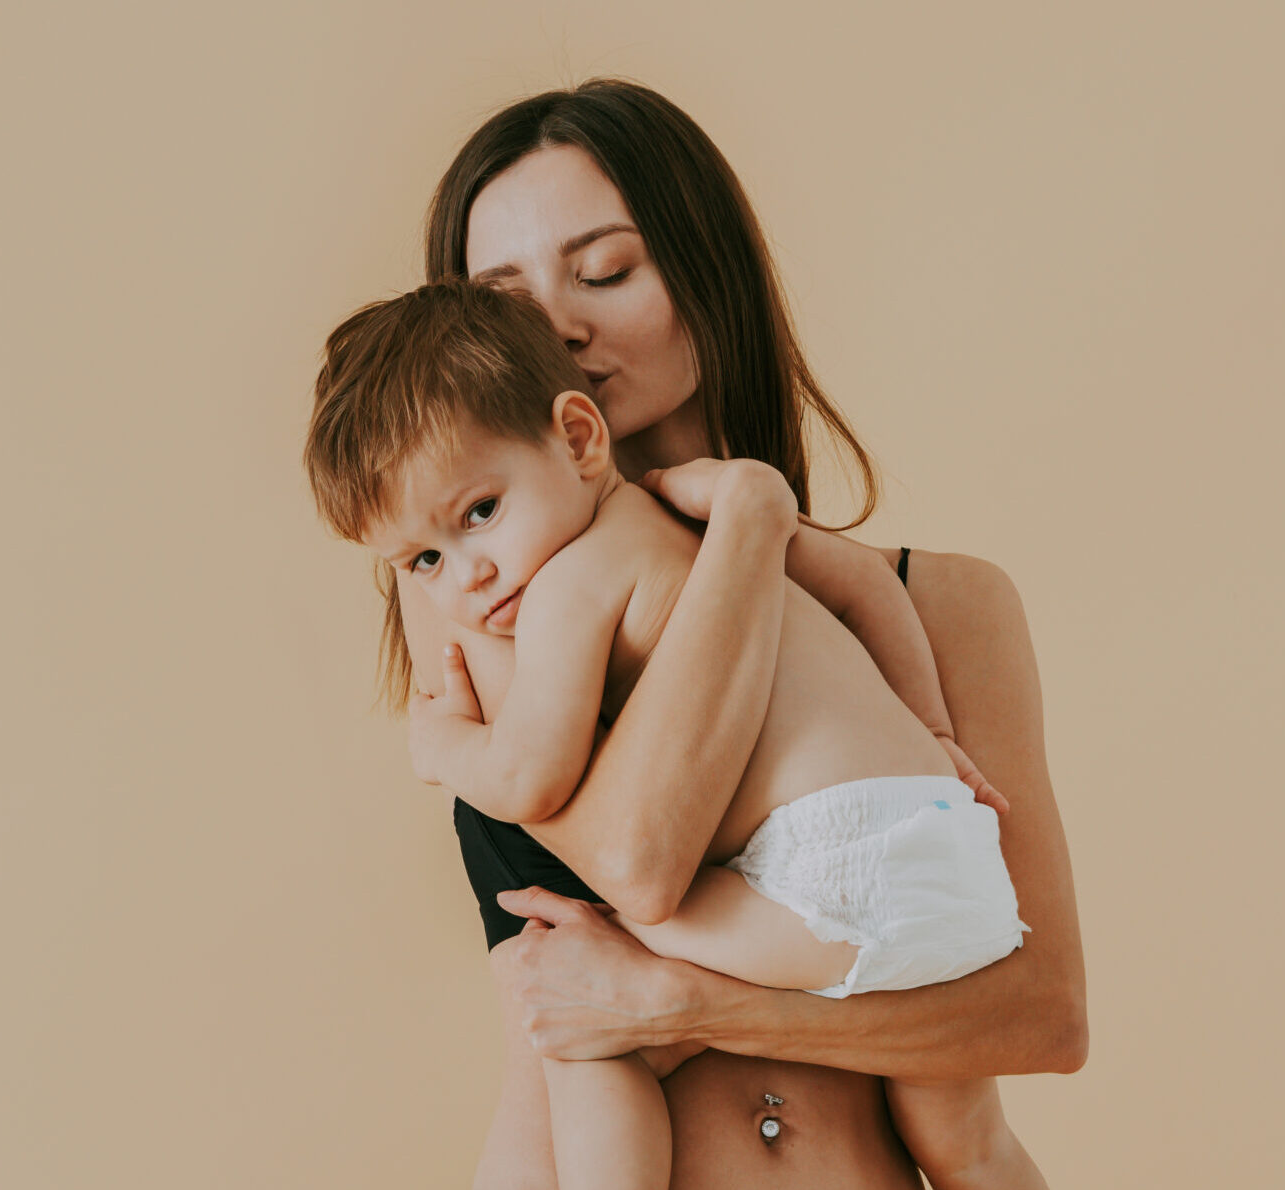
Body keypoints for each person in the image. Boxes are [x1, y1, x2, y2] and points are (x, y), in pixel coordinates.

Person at [391, 80, 1087, 1188]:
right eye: (505, 299)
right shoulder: (497, 634)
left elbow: (1038, 1015)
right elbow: (629, 869)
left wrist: (689, 1000)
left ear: (704, 274)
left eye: (606, 271)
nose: (559, 327)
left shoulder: (941, 604)